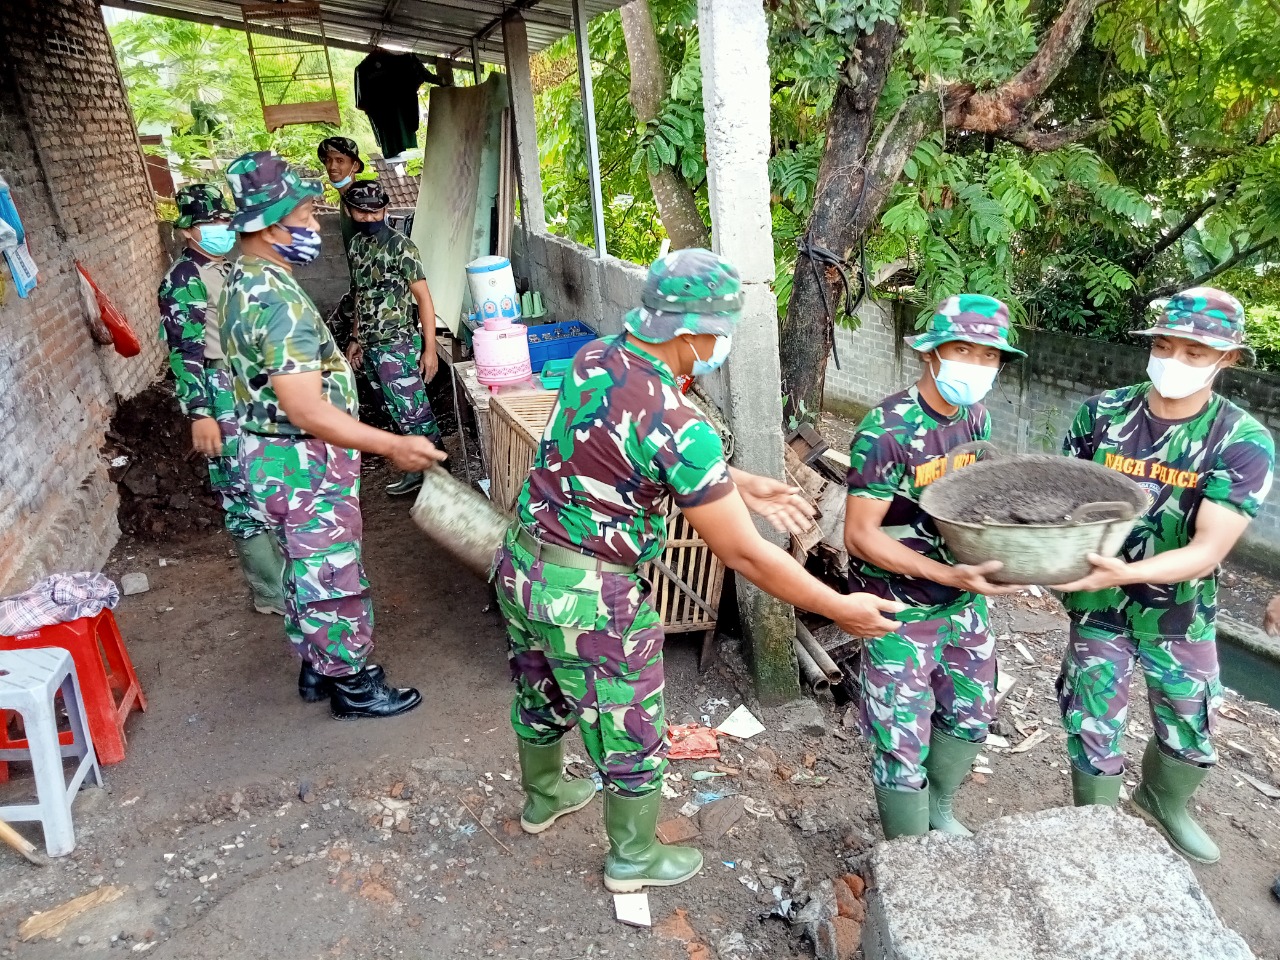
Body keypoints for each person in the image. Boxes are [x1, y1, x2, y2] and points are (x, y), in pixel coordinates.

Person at [492, 248, 904, 893]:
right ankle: (633, 860)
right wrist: (838, 605)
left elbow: (624, 446)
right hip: (589, 592)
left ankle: (544, 796)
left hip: (524, 563)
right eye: (723, 329)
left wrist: (741, 483)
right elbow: (743, 553)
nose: (725, 342)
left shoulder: (597, 357)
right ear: (689, 330)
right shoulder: (680, 422)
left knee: (541, 684)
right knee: (629, 723)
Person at [218, 150, 445, 719]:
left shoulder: (242, 280)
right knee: (332, 572)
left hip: (269, 455)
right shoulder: (277, 301)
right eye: (307, 216)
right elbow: (305, 408)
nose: (317, 226)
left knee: (303, 565)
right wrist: (390, 443)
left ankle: (317, 665)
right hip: (301, 461)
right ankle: (353, 684)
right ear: (272, 226)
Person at [1053, 287, 1274, 864]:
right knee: (1093, 718)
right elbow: (1063, 503)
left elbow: (1207, 550)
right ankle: (1095, 831)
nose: (1174, 360)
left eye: (1196, 352)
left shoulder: (1241, 440)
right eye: (1165, 345)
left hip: (1180, 614)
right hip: (1095, 608)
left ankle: (1161, 802)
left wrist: (1122, 572)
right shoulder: (1101, 413)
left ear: (1227, 358)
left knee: (1189, 722)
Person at [843, 294, 1026, 840]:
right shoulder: (888, 429)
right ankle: (908, 850)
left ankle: (939, 810)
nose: (977, 365)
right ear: (932, 354)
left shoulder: (976, 418)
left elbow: (975, 503)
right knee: (900, 735)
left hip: (963, 602)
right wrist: (948, 576)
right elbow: (859, 535)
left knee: (970, 714)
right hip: (897, 606)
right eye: (963, 350)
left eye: (989, 357)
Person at [157, 183, 285, 617]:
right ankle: (270, 592)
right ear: (188, 231)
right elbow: (185, 353)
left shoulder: (228, 269)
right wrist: (200, 414)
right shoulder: (183, 280)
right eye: (209, 222)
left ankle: (287, 578)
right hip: (218, 392)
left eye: (221, 220)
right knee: (240, 492)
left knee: (268, 479)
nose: (219, 228)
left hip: (251, 388)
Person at [342, 180, 442, 496]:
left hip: (397, 344)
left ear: (385, 209)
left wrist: (430, 349)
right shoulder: (357, 246)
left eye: (375, 211)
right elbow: (359, 294)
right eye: (361, 212)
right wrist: (355, 337)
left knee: (415, 412)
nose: (369, 218)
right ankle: (417, 471)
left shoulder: (401, 247)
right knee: (392, 411)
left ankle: (439, 475)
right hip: (370, 345)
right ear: (350, 211)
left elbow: (424, 299)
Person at [317, 135, 365, 255]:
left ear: (356, 166)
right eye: (328, 160)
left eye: (340, 160)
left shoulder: (360, 200)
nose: (332, 167)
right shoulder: (347, 198)